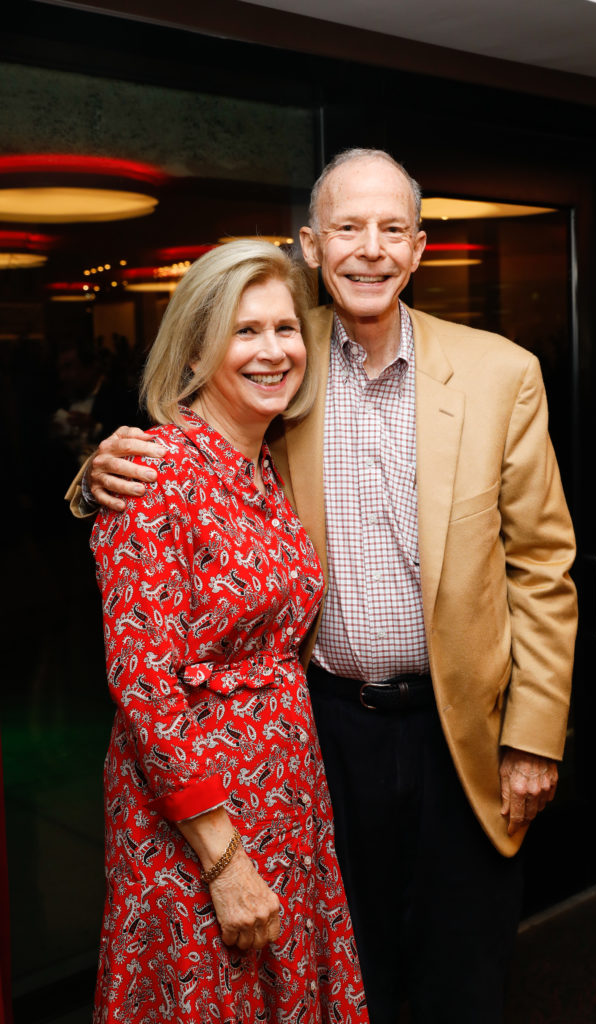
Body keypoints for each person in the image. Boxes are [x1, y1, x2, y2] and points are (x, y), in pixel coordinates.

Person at [67, 149, 578, 1024]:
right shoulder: (282, 359)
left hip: (461, 730)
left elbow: (542, 564)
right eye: (346, 228)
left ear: (419, 249)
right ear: (312, 244)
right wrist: (92, 476)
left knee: (464, 971)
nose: (369, 250)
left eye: (391, 230)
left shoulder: (499, 373)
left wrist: (533, 735)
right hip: (324, 730)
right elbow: (181, 467)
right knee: (344, 972)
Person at [85, 239, 369, 1023]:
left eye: (286, 330)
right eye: (246, 332)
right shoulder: (151, 475)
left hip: (287, 793)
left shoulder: (262, 463)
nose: (273, 351)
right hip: (195, 823)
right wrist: (225, 861)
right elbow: (144, 687)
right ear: (197, 346)